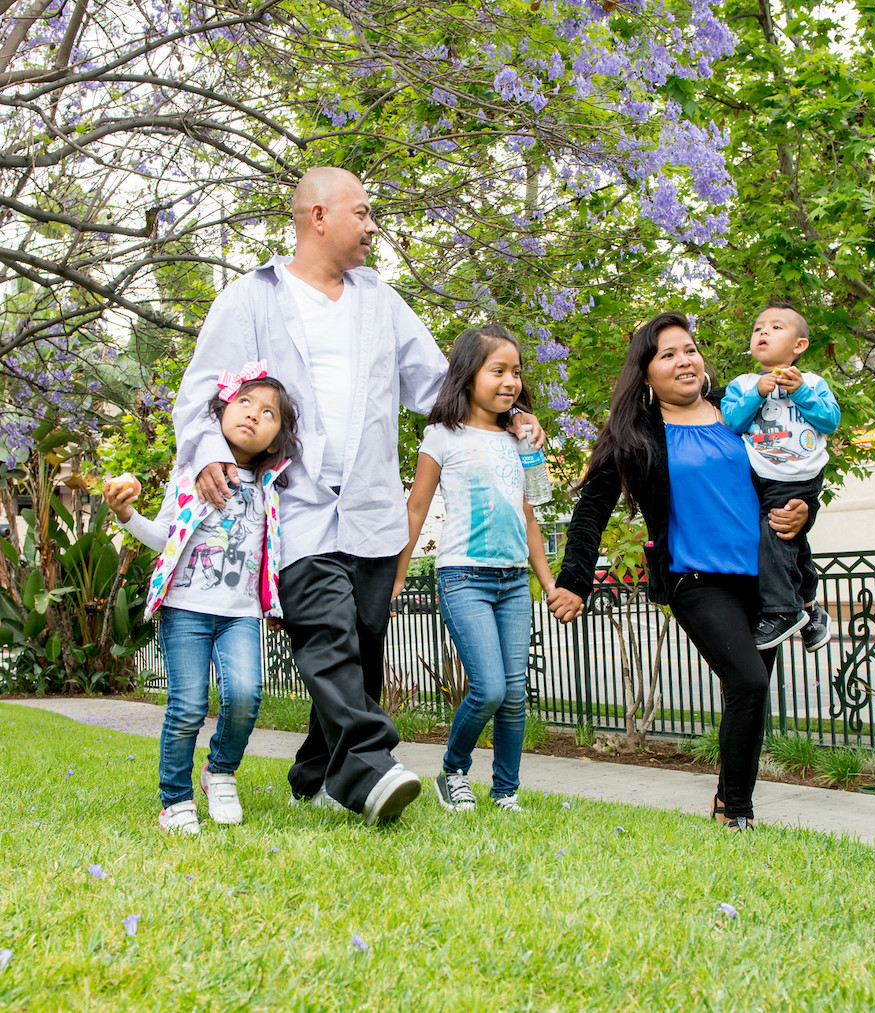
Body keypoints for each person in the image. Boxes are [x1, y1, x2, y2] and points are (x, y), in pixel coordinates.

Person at [171, 166, 544, 825]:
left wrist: (509, 415)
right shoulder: (249, 299)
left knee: (362, 649)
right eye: (363, 213)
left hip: (372, 512)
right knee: (327, 637)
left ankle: (316, 773)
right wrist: (207, 454)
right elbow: (200, 395)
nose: (373, 227)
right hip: (293, 508)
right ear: (318, 215)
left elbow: (435, 387)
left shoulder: (382, 301)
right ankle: (372, 763)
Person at [547, 312, 808, 832]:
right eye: (667, 355)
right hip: (696, 580)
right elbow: (591, 510)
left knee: (750, 696)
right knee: (748, 683)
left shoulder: (742, 410)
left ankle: (725, 800)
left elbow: (791, 472)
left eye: (689, 349)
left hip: (764, 579)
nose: (684, 360)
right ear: (646, 375)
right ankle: (739, 813)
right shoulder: (636, 432)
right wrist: (574, 582)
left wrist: (803, 509)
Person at [103, 364, 300, 835]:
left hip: (239, 615)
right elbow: (166, 538)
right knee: (188, 705)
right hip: (185, 608)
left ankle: (220, 770)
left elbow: (276, 550)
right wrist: (127, 514)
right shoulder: (191, 471)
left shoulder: (272, 489)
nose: (253, 414)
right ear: (223, 412)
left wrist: (277, 603)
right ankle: (174, 800)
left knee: (247, 696)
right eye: (245, 403)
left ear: (276, 440)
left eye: (268, 412)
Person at [394, 324, 557, 814]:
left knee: (513, 696)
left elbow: (533, 511)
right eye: (498, 371)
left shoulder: (521, 437)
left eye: (516, 372)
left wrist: (547, 582)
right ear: (468, 376)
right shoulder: (441, 435)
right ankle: (453, 770)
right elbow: (416, 508)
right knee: (487, 687)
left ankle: (506, 791)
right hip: (463, 575)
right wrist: (398, 574)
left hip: (512, 580)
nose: (510, 381)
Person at [721, 301, 840, 652]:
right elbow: (732, 421)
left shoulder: (814, 382)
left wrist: (800, 391)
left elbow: (829, 421)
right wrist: (757, 393)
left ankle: (782, 610)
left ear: (799, 345)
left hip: (800, 474)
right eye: (759, 328)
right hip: (762, 474)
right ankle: (808, 608)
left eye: (775, 328)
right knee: (787, 540)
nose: (763, 333)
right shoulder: (743, 384)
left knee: (775, 536)